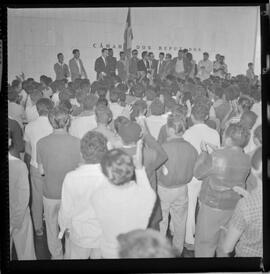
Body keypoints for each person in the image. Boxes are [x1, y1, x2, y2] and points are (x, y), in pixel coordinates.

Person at [194, 123, 251, 257]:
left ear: (229, 139)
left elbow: (198, 173)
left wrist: (203, 154)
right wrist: (218, 151)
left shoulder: (216, 156)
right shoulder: (248, 158)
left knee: (205, 245)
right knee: (224, 246)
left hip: (211, 207)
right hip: (233, 207)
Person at [91, 144, 157, 258]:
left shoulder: (97, 196)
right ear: (131, 170)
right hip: (136, 252)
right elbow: (145, 187)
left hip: (109, 252)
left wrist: (110, 161)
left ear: (106, 173)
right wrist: (139, 167)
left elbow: (104, 183)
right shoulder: (147, 196)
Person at [36, 106, 81, 259]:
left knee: (51, 226)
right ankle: (69, 256)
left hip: (50, 192)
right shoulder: (77, 142)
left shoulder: (41, 143)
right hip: (71, 194)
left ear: (50, 122)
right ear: (68, 121)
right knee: (69, 227)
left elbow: (41, 171)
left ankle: (56, 256)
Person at [58, 131, 108, 259]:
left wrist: (64, 227)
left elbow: (66, 210)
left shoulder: (71, 178)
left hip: (80, 234)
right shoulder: (112, 176)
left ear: (81, 154)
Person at [157, 115, 198, 256]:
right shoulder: (191, 149)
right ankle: (177, 250)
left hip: (163, 188)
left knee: (162, 220)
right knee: (180, 222)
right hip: (182, 189)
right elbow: (194, 170)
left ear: (169, 129)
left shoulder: (162, 148)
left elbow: (156, 170)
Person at [183, 101, 220, 252]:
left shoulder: (187, 133)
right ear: (206, 116)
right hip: (209, 175)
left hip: (192, 175)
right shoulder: (214, 133)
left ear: (191, 116)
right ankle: (205, 238)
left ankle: (189, 240)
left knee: (190, 206)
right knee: (205, 207)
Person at [221, 146, 262, 257]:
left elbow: (227, 248)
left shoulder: (245, 205)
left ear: (252, 170)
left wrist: (225, 232)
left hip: (248, 261)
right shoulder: (250, 203)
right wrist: (247, 195)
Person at [23, 98, 54, 237]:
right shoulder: (55, 125)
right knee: (54, 197)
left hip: (35, 166)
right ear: (51, 108)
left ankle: (38, 228)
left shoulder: (29, 126)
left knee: (37, 198)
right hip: (53, 166)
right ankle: (52, 224)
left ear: (37, 109)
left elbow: (27, 150)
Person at [9, 131, 36, 260]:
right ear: (9, 142)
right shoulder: (19, 166)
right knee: (26, 253)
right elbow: (24, 197)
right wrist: (16, 221)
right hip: (18, 215)